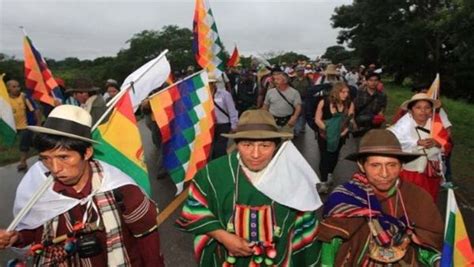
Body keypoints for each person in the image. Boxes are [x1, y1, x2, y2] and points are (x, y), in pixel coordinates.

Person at [0, 105, 164, 266]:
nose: (55, 168)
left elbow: (147, 238)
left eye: (64, 157)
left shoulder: (121, 189)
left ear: (87, 152)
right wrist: (16, 238)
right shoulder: (36, 188)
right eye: (45, 158)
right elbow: (34, 232)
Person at [176, 109, 322, 266]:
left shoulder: (294, 178)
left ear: (276, 145)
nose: (256, 154)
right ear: (237, 144)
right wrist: (223, 236)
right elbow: (194, 209)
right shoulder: (214, 174)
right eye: (247, 145)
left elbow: (305, 227)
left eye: (265, 145)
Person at [317, 129, 444, 266]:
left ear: (402, 166)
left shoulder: (418, 197)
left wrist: (435, 260)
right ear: (361, 165)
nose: (384, 174)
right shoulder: (343, 198)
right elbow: (329, 247)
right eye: (375, 165)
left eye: (392, 165)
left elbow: (430, 244)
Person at [388, 93, 450, 201]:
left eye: (427, 108)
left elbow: (447, 145)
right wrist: (416, 142)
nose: (423, 111)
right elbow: (394, 141)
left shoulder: (437, 126)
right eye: (418, 108)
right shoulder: (402, 126)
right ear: (411, 111)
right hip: (409, 171)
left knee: (427, 202)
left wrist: (437, 143)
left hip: (430, 173)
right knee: (407, 201)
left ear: (431, 111)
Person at [314, 82, 355, 193]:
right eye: (343, 92)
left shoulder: (349, 103)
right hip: (324, 135)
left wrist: (344, 132)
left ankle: (330, 174)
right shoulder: (324, 102)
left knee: (334, 155)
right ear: (336, 91)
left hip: (340, 135)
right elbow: (317, 119)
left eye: (347, 92)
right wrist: (328, 130)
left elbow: (350, 119)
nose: (346, 94)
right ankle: (323, 182)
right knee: (325, 157)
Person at [6, 79, 41, 171]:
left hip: (25, 125)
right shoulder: (4, 99)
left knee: (24, 140)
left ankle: (23, 161)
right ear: (8, 88)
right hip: (13, 127)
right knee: (33, 142)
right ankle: (42, 153)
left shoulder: (24, 97)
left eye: (18, 86)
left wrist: (38, 123)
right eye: (14, 87)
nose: (17, 88)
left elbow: (34, 110)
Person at [210, 74, 239, 159]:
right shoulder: (204, 96)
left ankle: (221, 163)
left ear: (214, 83)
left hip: (223, 125)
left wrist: (234, 125)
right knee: (212, 148)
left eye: (210, 83)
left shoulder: (225, 95)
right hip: (210, 126)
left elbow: (232, 110)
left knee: (220, 148)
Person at [353, 71, 387, 136]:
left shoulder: (382, 95)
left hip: (374, 125)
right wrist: (353, 121)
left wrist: (381, 114)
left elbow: (382, 108)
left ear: (379, 82)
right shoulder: (359, 93)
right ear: (366, 81)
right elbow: (353, 107)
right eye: (370, 80)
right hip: (361, 124)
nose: (373, 83)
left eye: (375, 80)